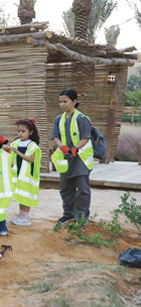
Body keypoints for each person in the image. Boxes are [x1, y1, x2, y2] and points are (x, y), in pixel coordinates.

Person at [50, 89, 94, 224]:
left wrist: (75, 148)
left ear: (74, 102)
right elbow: (55, 137)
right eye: (60, 102)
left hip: (80, 159)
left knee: (83, 190)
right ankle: (68, 214)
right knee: (65, 188)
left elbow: (86, 137)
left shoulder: (82, 119)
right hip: (65, 158)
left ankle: (81, 217)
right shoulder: (59, 119)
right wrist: (62, 147)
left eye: (65, 101)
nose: (62, 104)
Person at [4, 119, 42, 226]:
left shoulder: (33, 146)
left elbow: (30, 159)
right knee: (21, 195)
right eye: (19, 131)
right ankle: (21, 215)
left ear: (30, 132)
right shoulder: (16, 142)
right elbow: (9, 152)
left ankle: (25, 217)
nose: (20, 133)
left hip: (27, 175)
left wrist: (17, 152)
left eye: (23, 131)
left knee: (26, 197)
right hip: (18, 175)